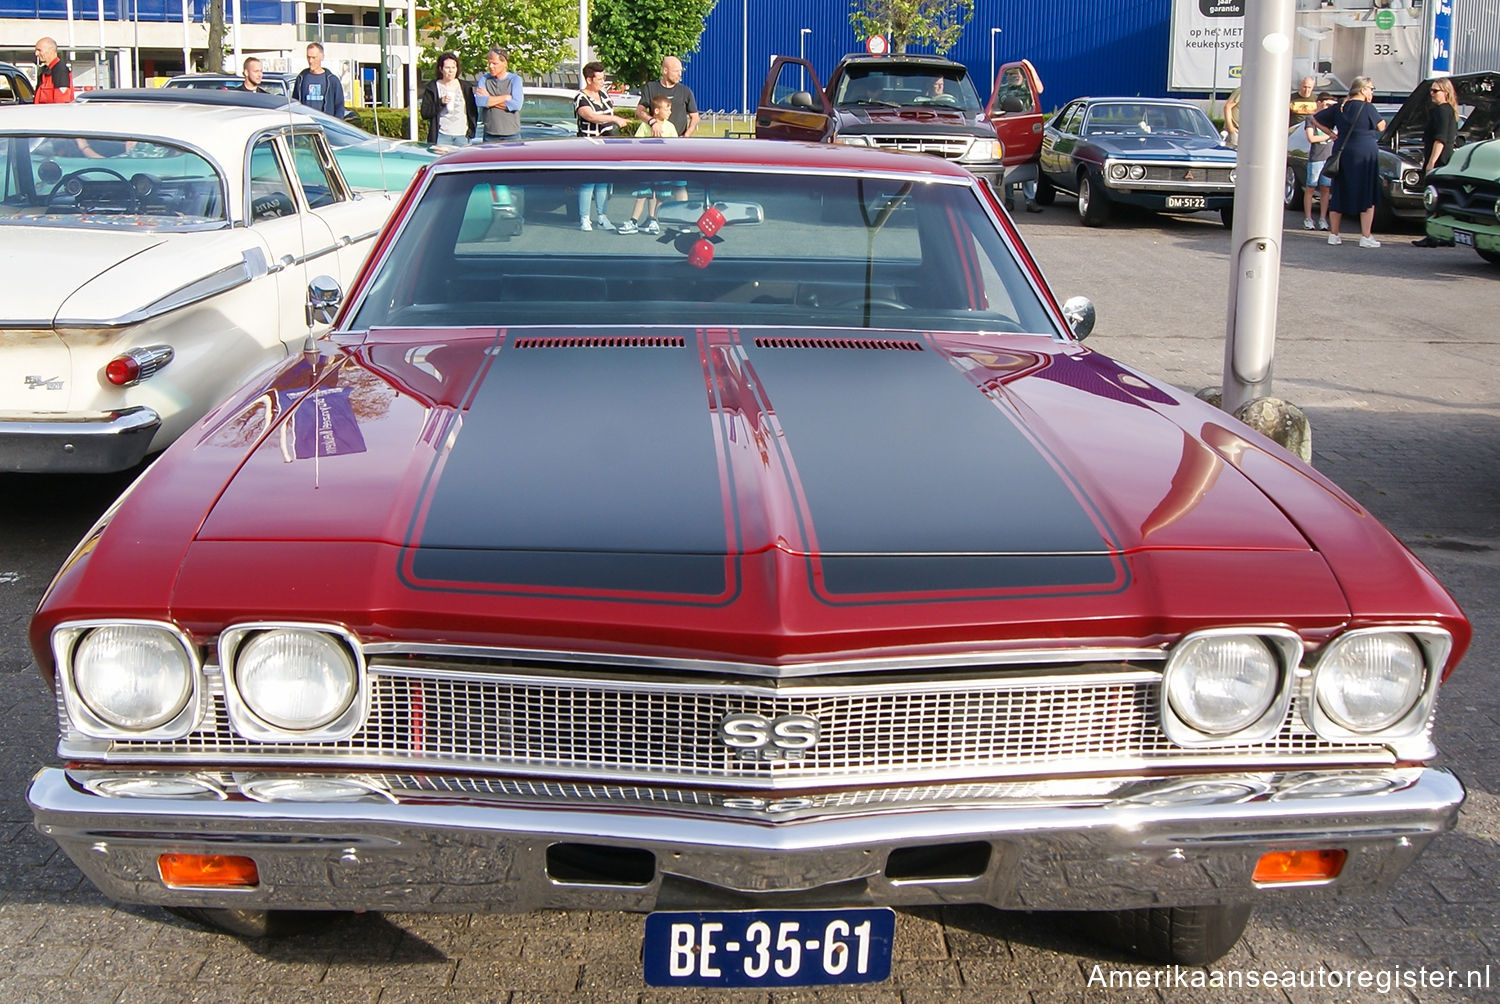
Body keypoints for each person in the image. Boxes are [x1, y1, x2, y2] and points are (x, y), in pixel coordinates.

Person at [1312, 76, 1386, 248]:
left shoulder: (1341, 107)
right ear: (1363, 90)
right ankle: (1365, 236)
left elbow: (1316, 118)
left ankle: (1334, 234)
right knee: (1366, 193)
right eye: (1371, 88)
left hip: (1343, 151)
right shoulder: (1367, 107)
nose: (1372, 92)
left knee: (1339, 191)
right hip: (1365, 152)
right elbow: (1381, 126)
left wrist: (1331, 134)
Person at [574, 61, 630, 232]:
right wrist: (614, 119)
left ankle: (602, 216)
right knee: (588, 182)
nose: (602, 81)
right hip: (588, 143)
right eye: (599, 79)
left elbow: (608, 112)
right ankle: (584, 217)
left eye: (603, 78)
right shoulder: (580, 97)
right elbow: (590, 116)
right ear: (589, 79)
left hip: (607, 143)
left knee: (603, 181)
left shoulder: (604, 95)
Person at [616, 98, 676, 235]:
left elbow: (675, 146)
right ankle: (633, 221)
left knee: (661, 195)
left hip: (663, 168)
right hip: (647, 166)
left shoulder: (670, 127)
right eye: (667, 109)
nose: (670, 112)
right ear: (656, 110)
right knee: (642, 194)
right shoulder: (645, 126)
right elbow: (637, 143)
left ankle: (654, 219)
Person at [1413, 77, 1460, 248]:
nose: (1431, 94)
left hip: (1439, 160)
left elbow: (1440, 139)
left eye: (1435, 91)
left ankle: (1432, 236)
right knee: (1443, 200)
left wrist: (1431, 162)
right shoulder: (1450, 111)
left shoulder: (1441, 111)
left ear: (1445, 92)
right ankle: (1446, 236)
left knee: (1432, 198)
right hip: (1447, 160)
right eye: (1431, 90)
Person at [419, 52, 476, 147]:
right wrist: (440, 102)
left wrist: (471, 131)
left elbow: (473, 111)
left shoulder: (466, 87)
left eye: (453, 68)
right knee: (442, 160)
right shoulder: (432, 87)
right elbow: (425, 113)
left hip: (462, 136)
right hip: (442, 136)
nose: (451, 71)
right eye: (447, 68)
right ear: (441, 69)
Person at [636, 56, 699, 138]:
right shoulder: (650, 88)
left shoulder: (685, 91)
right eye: (676, 71)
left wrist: (687, 135)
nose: (680, 74)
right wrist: (652, 122)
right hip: (656, 140)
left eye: (680, 71)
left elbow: (695, 117)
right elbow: (639, 111)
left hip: (678, 141)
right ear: (665, 71)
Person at [1302, 91, 1337, 231]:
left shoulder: (1333, 119)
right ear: (1319, 103)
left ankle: (1323, 218)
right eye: (1326, 104)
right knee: (1310, 187)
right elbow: (1311, 138)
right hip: (1316, 157)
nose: (1329, 107)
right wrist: (1330, 136)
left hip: (1329, 158)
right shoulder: (1311, 118)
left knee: (1325, 189)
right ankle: (1308, 218)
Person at [476, 47, 523, 142]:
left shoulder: (515, 79)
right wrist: (505, 98)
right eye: (489, 63)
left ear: (504, 63)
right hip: (490, 134)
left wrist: (489, 99)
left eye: (494, 63)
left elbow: (516, 105)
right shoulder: (484, 79)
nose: (491, 66)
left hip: (511, 134)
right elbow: (480, 101)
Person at [294, 42, 345, 118]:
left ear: (322, 57)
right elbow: (295, 103)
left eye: (314, 58)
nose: (310, 61)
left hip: (325, 125)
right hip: (306, 125)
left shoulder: (332, 80)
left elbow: (339, 107)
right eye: (308, 57)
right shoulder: (301, 78)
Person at [33, 37, 74, 104]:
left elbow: (61, 101)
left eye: (39, 50)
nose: (36, 54)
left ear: (51, 50)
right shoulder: (44, 71)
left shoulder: (60, 70)